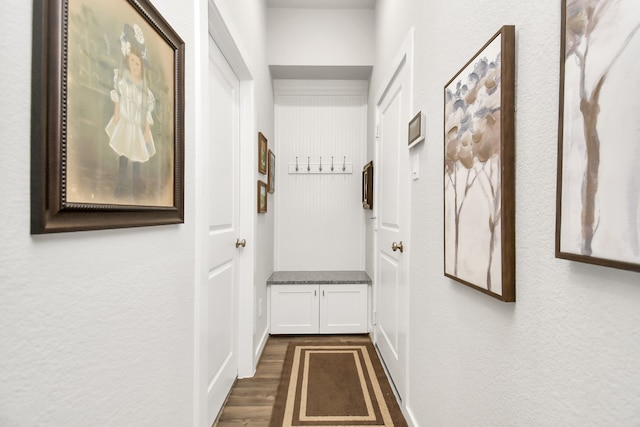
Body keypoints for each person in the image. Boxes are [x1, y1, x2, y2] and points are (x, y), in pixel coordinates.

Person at [105, 23, 156, 198]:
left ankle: (136, 184)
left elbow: (146, 113)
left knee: (137, 156)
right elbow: (118, 97)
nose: (135, 66)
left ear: (142, 66)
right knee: (124, 154)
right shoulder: (124, 83)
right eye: (133, 61)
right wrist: (117, 113)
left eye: (138, 63)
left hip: (137, 127)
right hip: (126, 124)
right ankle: (121, 184)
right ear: (129, 61)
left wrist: (147, 131)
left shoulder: (144, 92)